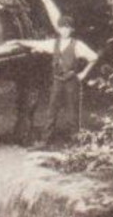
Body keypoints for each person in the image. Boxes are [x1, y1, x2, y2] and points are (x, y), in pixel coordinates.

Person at [14, 15, 98, 145]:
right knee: (51, 111)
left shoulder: (77, 45)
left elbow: (94, 57)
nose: (64, 30)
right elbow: (36, 43)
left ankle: (75, 142)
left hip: (71, 81)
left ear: (71, 30)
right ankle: (45, 141)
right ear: (59, 29)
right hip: (57, 80)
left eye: (67, 28)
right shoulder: (54, 43)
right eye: (62, 28)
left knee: (73, 112)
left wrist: (83, 73)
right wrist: (18, 41)